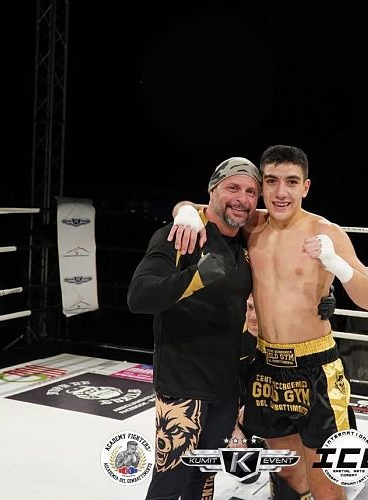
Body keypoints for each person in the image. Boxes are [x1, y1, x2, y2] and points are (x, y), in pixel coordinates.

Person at [171, 145, 368, 500]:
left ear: (306, 187)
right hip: (268, 366)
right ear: (262, 185)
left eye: (291, 182)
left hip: (316, 367)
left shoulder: (325, 231)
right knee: (286, 472)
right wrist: (185, 213)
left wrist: (337, 265)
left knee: (325, 480)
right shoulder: (252, 224)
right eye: (271, 181)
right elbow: (198, 206)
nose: (281, 192)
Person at [127, 157, 262, 500]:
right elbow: (139, 296)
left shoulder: (246, 244)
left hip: (226, 387)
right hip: (183, 384)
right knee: (170, 483)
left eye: (251, 192)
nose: (242, 199)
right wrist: (195, 277)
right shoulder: (180, 236)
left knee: (203, 481)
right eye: (233, 188)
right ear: (212, 189)